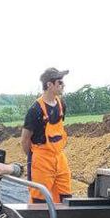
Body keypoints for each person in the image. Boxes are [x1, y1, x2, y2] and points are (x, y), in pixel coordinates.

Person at [21, 67, 72, 204]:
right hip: (41, 159)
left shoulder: (62, 105)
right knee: (40, 200)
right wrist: (35, 158)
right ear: (49, 85)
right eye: (60, 82)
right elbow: (25, 140)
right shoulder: (35, 110)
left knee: (65, 197)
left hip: (59, 157)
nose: (63, 85)